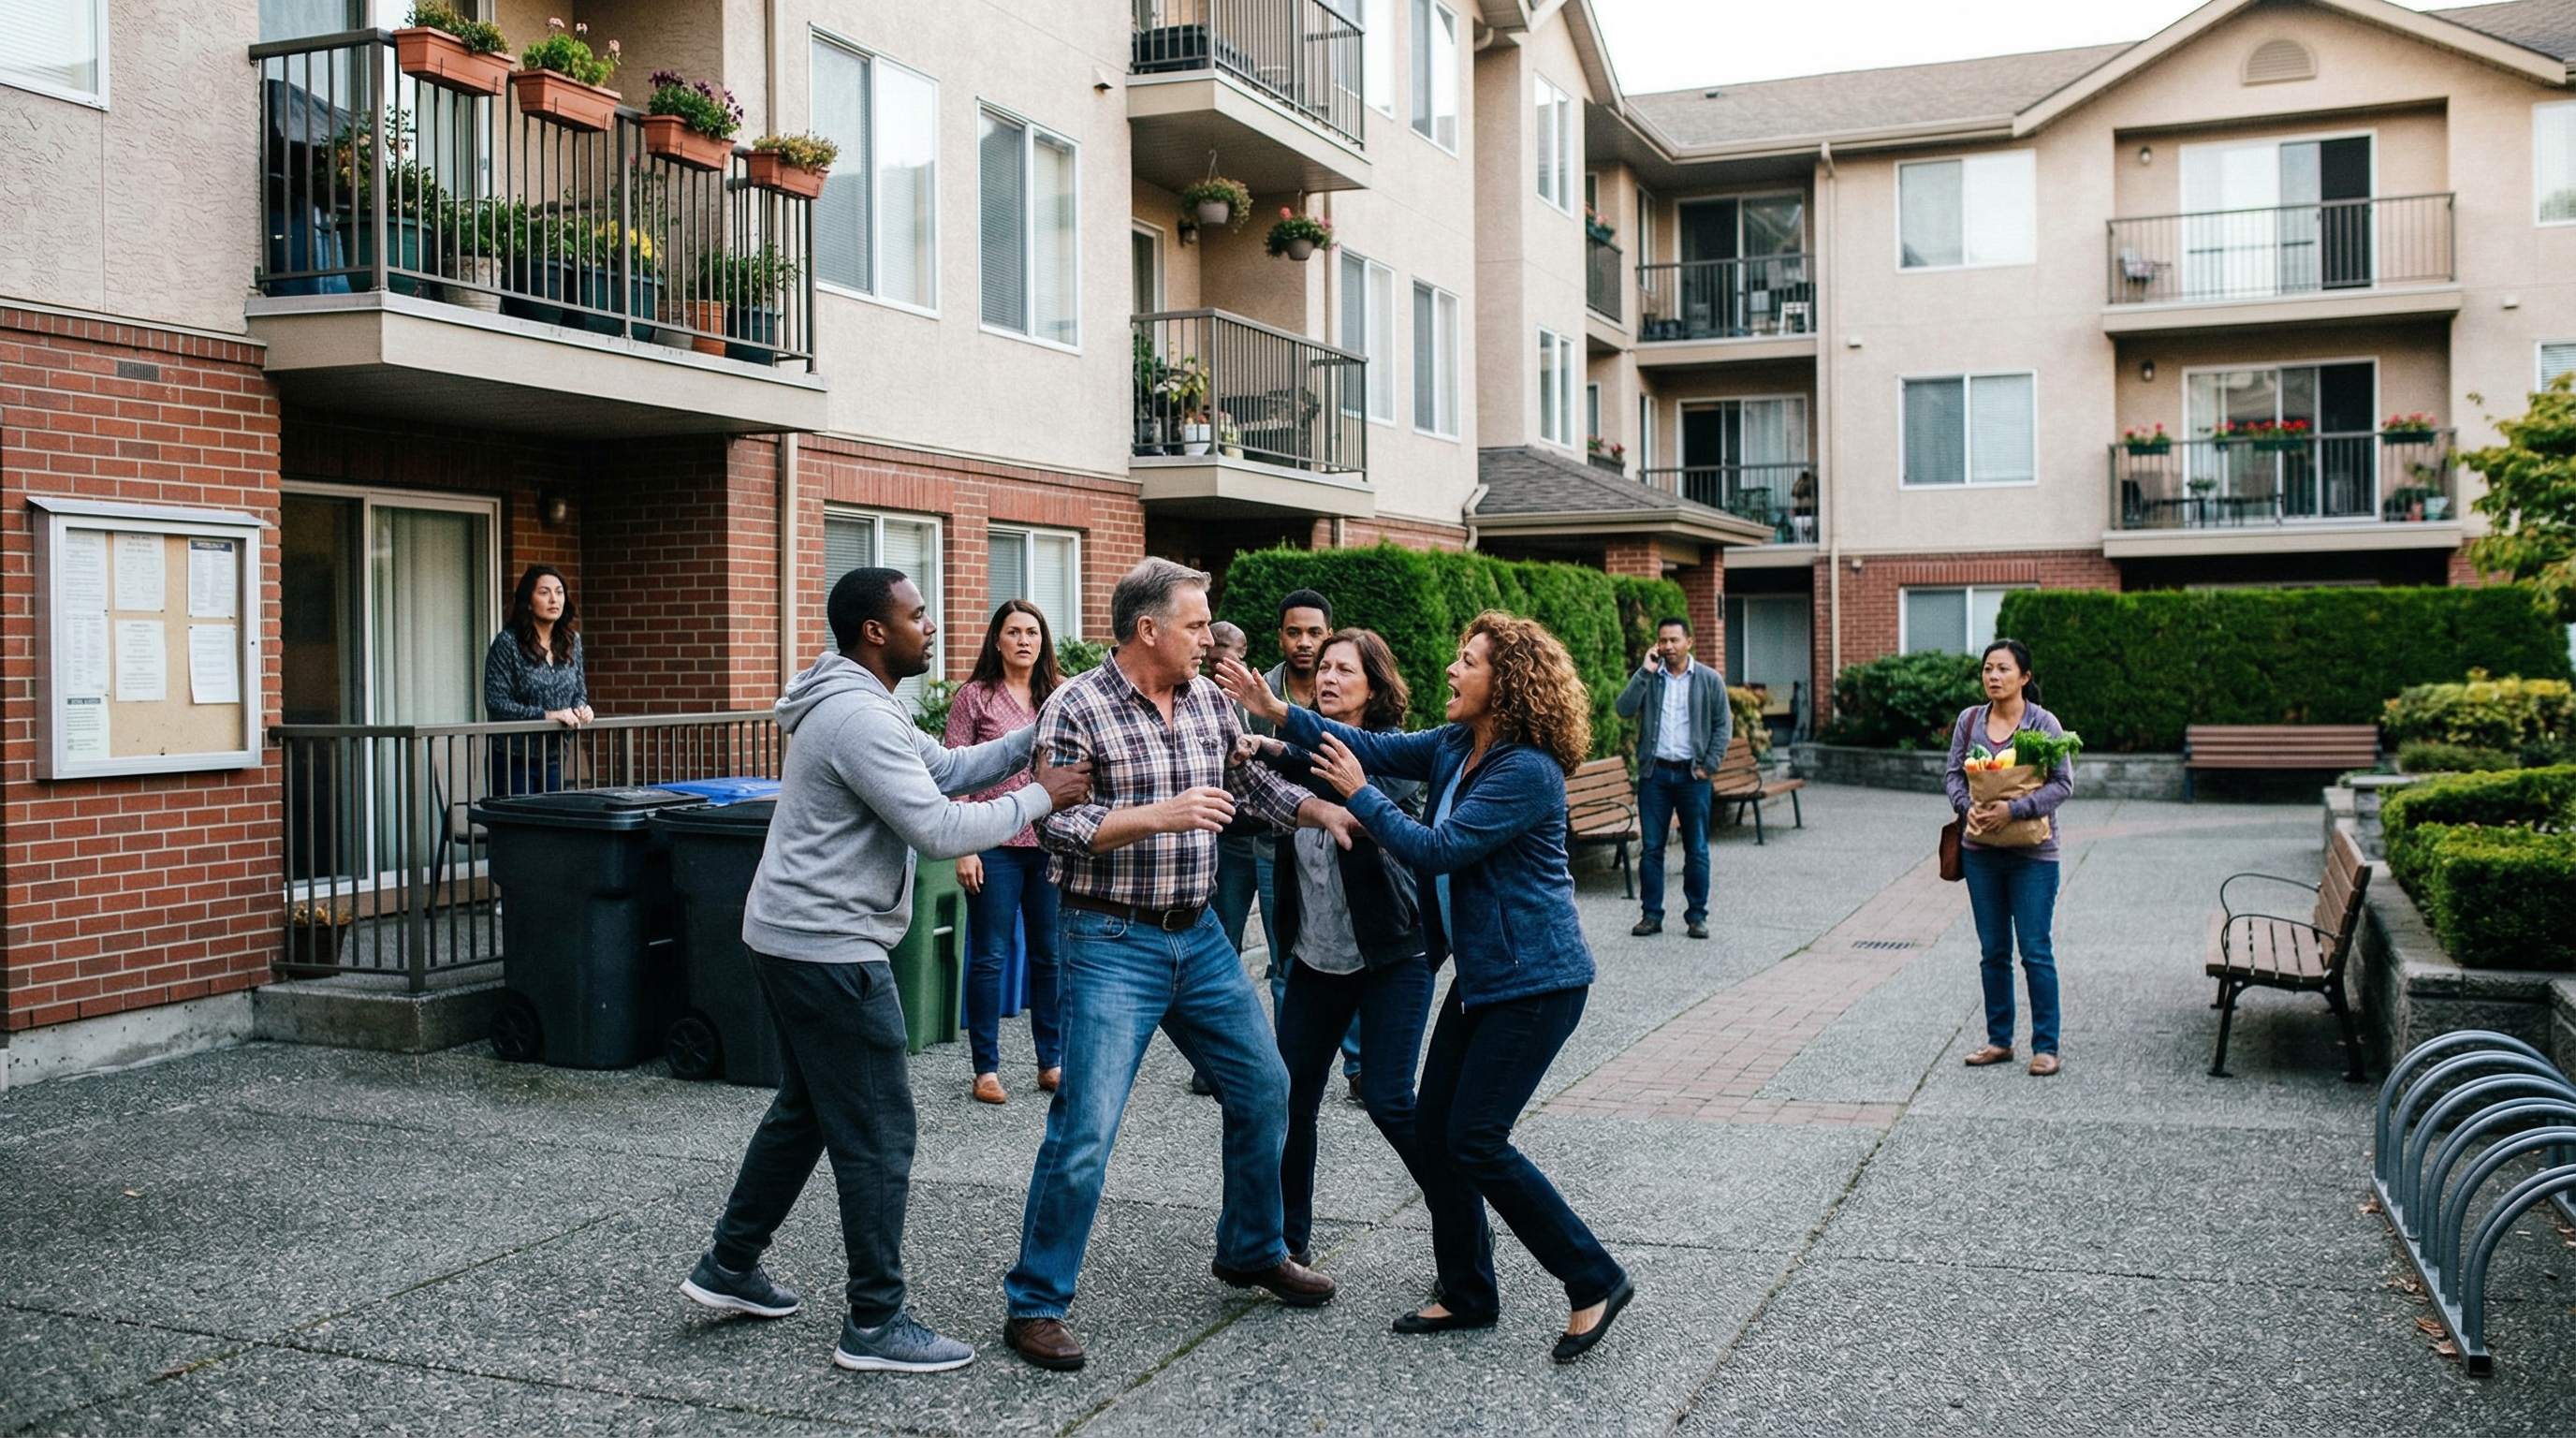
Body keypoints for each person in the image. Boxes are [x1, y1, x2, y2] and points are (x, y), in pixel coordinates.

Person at [681, 568, 1090, 1375]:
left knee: (805, 1109)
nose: (930, 627)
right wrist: (1041, 797)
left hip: (791, 934)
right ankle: (876, 1319)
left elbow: (944, 768)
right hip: (829, 946)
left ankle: (729, 1267)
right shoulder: (856, 718)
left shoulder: (866, 702)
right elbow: (939, 827)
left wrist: (1036, 732)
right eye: (916, 615)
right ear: (876, 631)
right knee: (877, 1131)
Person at [1220, 612, 1634, 1364]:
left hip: (1536, 983)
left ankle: (1593, 1275)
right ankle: (1469, 1290)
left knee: (1474, 1138)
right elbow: (1372, 746)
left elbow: (1436, 850)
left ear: (1503, 683)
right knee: (1440, 1132)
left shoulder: (1524, 771)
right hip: (1483, 981)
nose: (1450, 669)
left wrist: (1360, 795)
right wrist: (1279, 715)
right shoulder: (1455, 745)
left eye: (1467, 661)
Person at [1002, 559, 1358, 1373]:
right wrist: (1158, 816)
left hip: (1199, 940)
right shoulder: (1076, 706)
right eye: (1197, 626)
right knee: (1086, 1127)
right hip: (1109, 942)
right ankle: (1035, 1303)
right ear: (1147, 630)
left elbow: (1254, 788)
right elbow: (1054, 825)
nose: (1211, 639)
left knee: (1265, 1088)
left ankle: (1251, 1248)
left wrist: (1322, 810)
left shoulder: (1206, 702)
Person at [1236, 629, 1436, 1271]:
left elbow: (1357, 789)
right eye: (1323, 668)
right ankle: (1287, 1242)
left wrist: (1274, 741)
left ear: (1374, 687)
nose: (1327, 677)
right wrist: (1258, 748)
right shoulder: (1302, 751)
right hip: (1317, 960)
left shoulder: (1395, 760)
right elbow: (1282, 784)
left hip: (1392, 957)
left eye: (1344, 670)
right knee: (1289, 1098)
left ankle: (1459, 1220)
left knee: (1390, 1100)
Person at [944, 600, 1066, 1107]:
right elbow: (954, 775)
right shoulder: (975, 697)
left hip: (1049, 843)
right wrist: (964, 847)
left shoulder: (1059, 694)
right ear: (996, 640)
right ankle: (986, 1068)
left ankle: (1051, 1061)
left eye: (1032, 632)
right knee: (990, 957)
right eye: (1013, 632)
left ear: (1043, 642)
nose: (1023, 640)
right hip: (991, 843)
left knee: (1051, 957)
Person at [1248, 588, 1363, 1093]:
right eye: (1294, 632)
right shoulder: (1257, 690)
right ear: (1280, 636)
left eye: (1315, 633)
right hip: (1276, 843)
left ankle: (1358, 1065)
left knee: (1350, 955)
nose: (1304, 642)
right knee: (1288, 956)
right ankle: (1287, 1065)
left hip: (1341, 843)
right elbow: (1250, 767)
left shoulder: (1339, 688)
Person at [1945, 638, 2074, 1078]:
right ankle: (1999, 1040)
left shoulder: (2043, 723)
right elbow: (1952, 775)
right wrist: (1969, 809)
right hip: (1980, 852)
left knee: (2035, 950)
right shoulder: (1969, 722)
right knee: (1993, 951)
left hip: (2034, 855)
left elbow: (2062, 784)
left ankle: (2046, 1046)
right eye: (1987, 669)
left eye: (2002, 669)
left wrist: (2013, 810)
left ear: (2024, 677)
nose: (1993, 677)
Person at [1612, 616, 1732, 939]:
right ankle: (1651, 915)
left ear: (1688, 642)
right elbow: (1623, 709)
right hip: (1656, 775)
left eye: (1673, 640)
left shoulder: (1708, 679)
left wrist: (1710, 764)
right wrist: (1643, 671)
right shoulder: (1651, 678)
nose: (1667, 647)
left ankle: (1697, 916)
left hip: (1694, 776)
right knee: (1652, 849)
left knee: (1697, 849)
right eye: (1662, 641)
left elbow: (1723, 725)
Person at [1193, 620, 1263, 1098]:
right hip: (1225, 841)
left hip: (1271, 836)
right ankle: (1209, 1065)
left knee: (1289, 956)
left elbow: (1260, 779)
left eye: (1229, 649)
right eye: (1211, 643)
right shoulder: (1199, 694)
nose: (1218, 655)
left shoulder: (1254, 695)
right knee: (1224, 944)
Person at [482, 565, 592, 795]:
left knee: (551, 826)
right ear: (528, 602)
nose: (554, 599)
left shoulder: (572, 641)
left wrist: (582, 708)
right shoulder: (508, 643)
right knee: (522, 829)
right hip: (512, 759)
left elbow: (578, 692)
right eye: (544, 592)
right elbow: (496, 702)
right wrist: (547, 715)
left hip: (553, 756)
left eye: (559, 592)